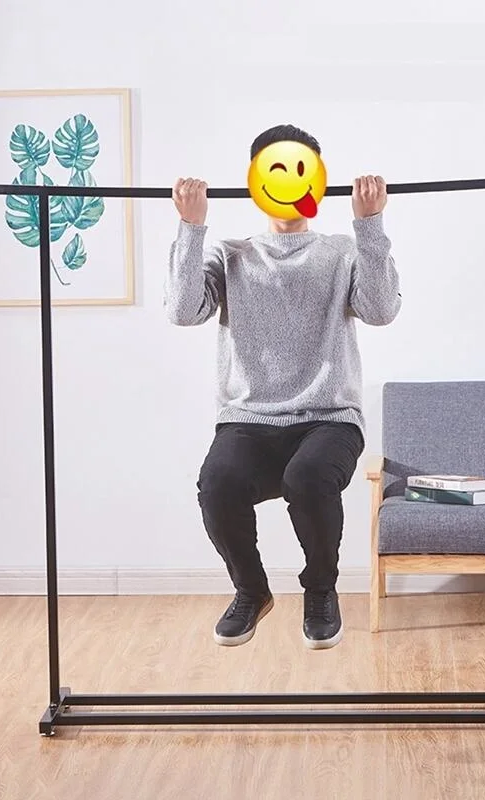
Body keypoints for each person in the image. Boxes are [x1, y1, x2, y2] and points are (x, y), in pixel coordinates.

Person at [164, 124, 401, 650]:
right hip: (249, 420)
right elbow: (182, 311)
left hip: (329, 419)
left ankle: (320, 591)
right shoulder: (229, 254)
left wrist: (370, 226)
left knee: (309, 477)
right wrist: (191, 228)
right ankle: (251, 591)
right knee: (217, 485)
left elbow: (382, 310)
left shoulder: (341, 252)